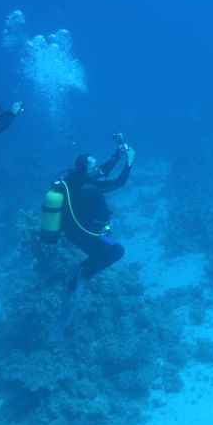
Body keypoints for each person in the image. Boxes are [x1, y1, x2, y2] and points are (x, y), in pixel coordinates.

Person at [46, 134, 135, 343]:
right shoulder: (86, 187)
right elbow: (119, 182)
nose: (97, 167)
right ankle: (82, 275)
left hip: (74, 230)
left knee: (104, 253)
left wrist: (116, 156)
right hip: (81, 232)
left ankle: (79, 274)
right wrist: (130, 161)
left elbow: (101, 171)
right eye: (93, 165)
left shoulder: (75, 178)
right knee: (116, 251)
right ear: (86, 169)